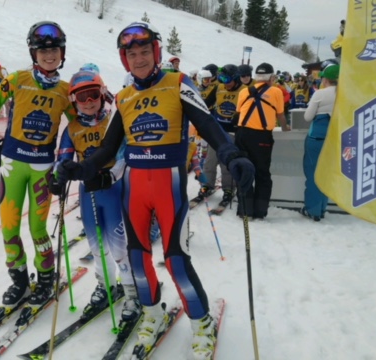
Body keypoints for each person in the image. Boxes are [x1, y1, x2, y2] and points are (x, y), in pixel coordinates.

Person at [55, 22, 255, 359]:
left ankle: (201, 323)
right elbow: (107, 150)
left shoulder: (177, 83)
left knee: (176, 261)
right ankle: (152, 314)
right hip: (135, 189)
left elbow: (207, 124)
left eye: (145, 51)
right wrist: (81, 169)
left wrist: (231, 153)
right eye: (131, 54)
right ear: (124, 59)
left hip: (169, 187)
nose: (139, 59)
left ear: (156, 53)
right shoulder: (124, 96)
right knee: (137, 260)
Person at [0, 21, 75, 310]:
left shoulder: (65, 90)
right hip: (12, 164)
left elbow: (76, 126)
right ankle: (19, 279)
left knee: (37, 228)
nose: (49, 55)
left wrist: (68, 161)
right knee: (9, 227)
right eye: (43, 51)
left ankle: (46, 277)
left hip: (42, 168)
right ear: (33, 53)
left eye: (55, 50)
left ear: (62, 53)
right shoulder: (18, 79)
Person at [51, 69, 140, 320]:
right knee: (97, 245)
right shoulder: (72, 129)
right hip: (89, 192)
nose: (89, 102)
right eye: (82, 97)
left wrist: (108, 177)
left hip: (115, 189)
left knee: (120, 245)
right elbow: (64, 159)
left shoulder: (114, 120)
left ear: (102, 94)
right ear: (74, 101)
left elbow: (123, 157)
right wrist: (58, 179)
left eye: (93, 95)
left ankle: (132, 290)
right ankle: (106, 283)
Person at [235, 62, 290, 220]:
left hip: (242, 135)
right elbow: (280, 115)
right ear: (271, 77)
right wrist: (285, 127)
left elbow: (239, 112)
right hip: (261, 137)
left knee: (244, 172)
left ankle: (245, 210)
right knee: (262, 174)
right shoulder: (276, 92)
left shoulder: (244, 92)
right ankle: (259, 211)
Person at [202, 64, 246, 206]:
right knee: (210, 160)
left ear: (236, 79)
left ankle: (228, 188)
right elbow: (206, 103)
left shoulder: (244, 91)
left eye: (227, 79)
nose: (225, 83)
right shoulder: (219, 87)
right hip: (217, 129)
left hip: (233, 131)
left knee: (226, 162)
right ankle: (207, 184)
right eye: (222, 79)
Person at [300, 64, 339, 221]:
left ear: (325, 79)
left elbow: (307, 117)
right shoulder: (346, 94)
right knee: (327, 175)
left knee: (314, 174)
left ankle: (313, 210)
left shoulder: (320, 94)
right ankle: (322, 208)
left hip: (316, 139)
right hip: (335, 139)